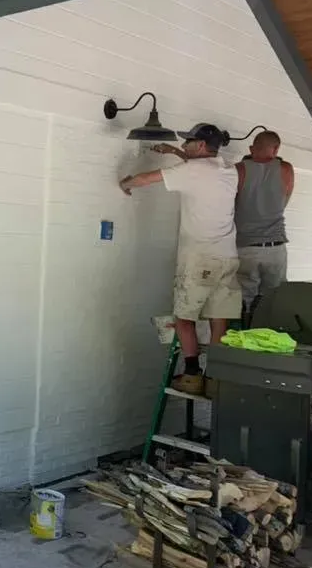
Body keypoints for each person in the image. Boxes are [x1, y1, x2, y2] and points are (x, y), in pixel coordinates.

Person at [119, 123, 242, 394]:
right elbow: (199, 169)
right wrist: (175, 152)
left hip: (199, 259)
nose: (184, 145)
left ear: (200, 146)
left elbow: (147, 178)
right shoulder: (228, 169)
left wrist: (126, 183)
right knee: (218, 318)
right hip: (227, 258)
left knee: (184, 316)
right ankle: (215, 377)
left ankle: (191, 374)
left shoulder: (193, 170)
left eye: (188, 142)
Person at [235, 131, 294, 318]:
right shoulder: (286, 169)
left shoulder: (239, 169)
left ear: (251, 148)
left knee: (245, 298)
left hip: (246, 245)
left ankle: (245, 335)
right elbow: (285, 199)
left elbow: (231, 202)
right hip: (275, 244)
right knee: (275, 297)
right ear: (276, 149)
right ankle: (269, 336)